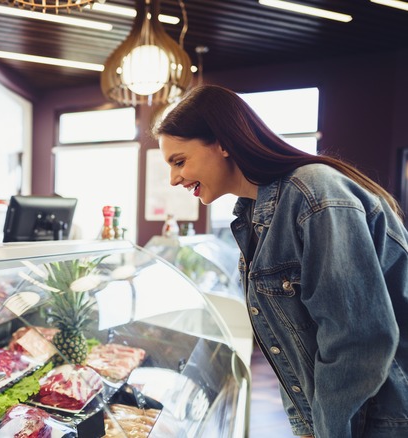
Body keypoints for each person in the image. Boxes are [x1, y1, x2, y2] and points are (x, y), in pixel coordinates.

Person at [153, 84, 408, 437]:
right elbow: (292, 346)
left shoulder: (315, 194)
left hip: (383, 422)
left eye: (179, 161)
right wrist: (307, 424)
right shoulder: (253, 214)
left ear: (222, 143)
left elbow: (358, 340)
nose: (174, 178)